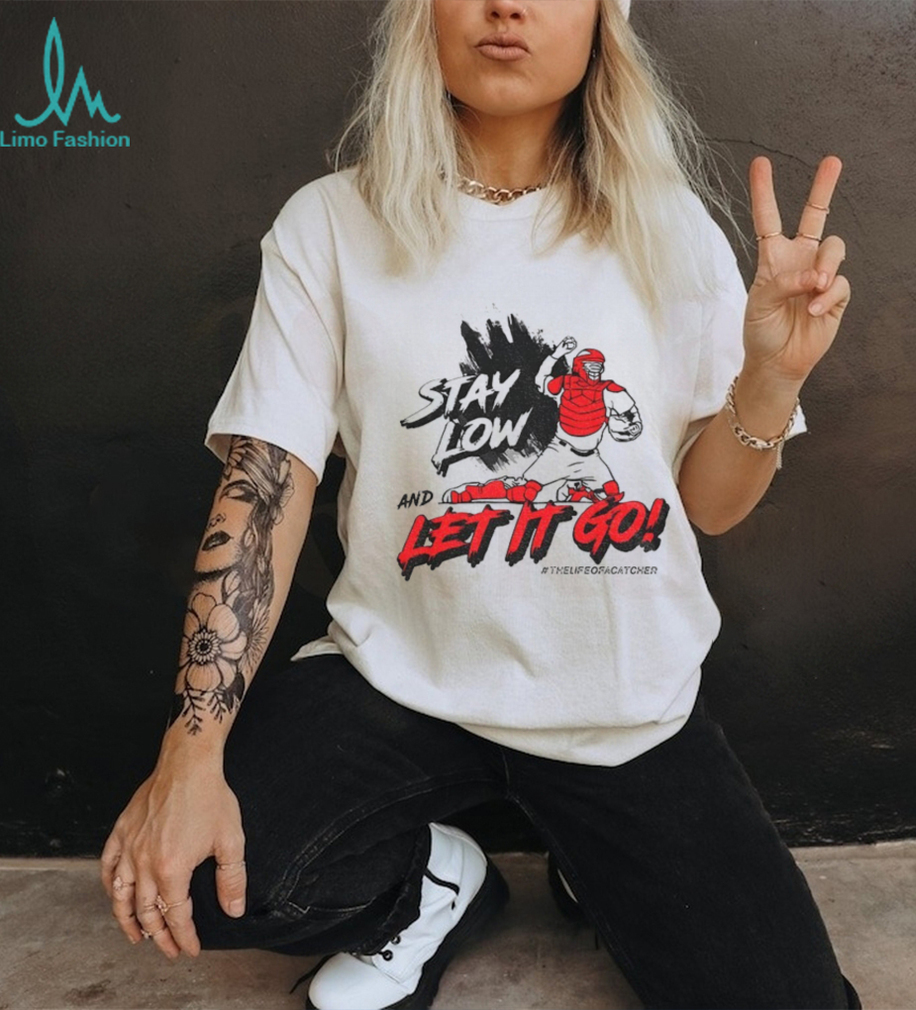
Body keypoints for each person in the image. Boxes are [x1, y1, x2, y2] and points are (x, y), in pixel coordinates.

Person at [100, 1, 858, 1007]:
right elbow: (264, 489)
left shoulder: (669, 228)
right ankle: (432, 888)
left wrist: (770, 377)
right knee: (200, 875)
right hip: (399, 676)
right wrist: (188, 756)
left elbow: (709, 509)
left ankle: (595, 862)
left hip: (616, 706)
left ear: (603, 23)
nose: (506, 5)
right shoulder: (330, 225)